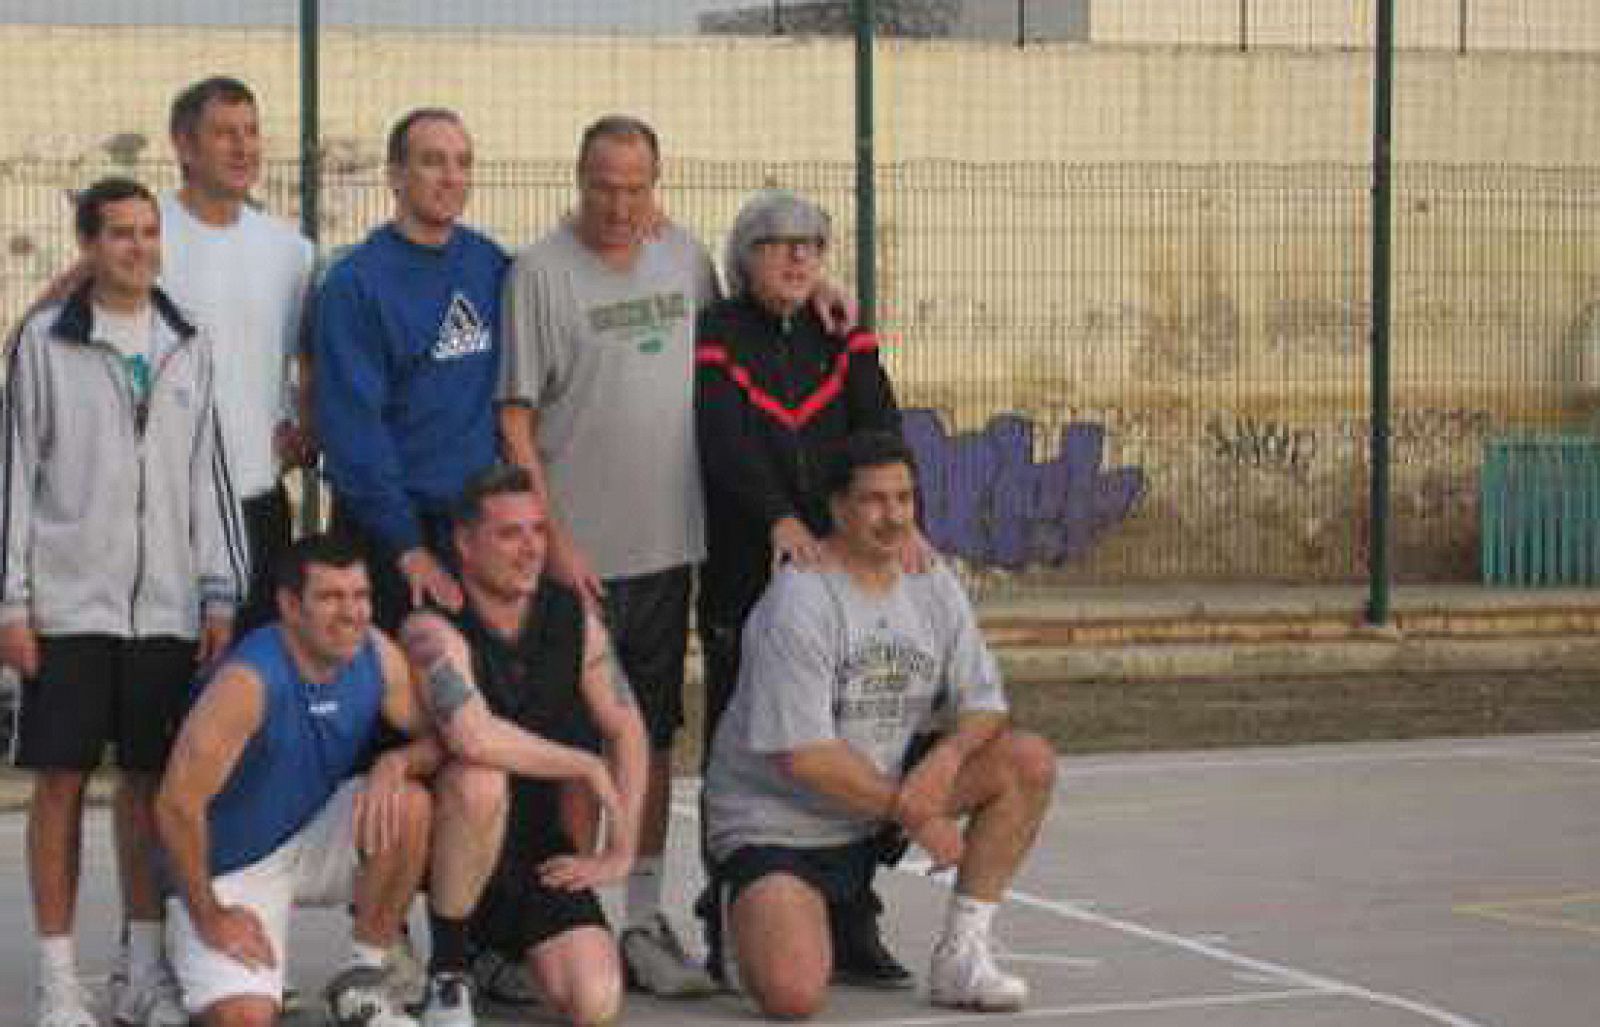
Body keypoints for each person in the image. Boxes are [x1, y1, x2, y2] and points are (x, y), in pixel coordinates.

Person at [0, 177, 248, 1027]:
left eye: (148, 233)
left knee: (149, 787)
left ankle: (141, 968)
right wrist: (12, 602)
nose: (138, 248)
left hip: (168, 612)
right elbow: (15, 479)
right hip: (68, 610)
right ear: (88, 245)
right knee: (62, 784)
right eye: (119, 234)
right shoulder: (43, 341)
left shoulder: (189, 342)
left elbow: (205, 480)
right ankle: (58, 979)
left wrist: (219, 591)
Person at [702, 431, 1058, 1019]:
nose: (893, 517)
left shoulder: (931, 582)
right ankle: (740, 906)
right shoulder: (801, 601)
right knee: (793, 996)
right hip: (779, 823)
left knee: (1026, 760)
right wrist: (918, 812)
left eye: (904, 499)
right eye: (874, 500)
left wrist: (943, 763)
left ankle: (962, 955)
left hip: (876, 799)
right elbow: (806, 757)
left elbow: (986, 704)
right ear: (837, 507)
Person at [496, 114, 721, 997]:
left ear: (655, 184)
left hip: (669, 548)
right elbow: (515, 419)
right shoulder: (539, 272)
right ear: (578, 179)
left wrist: (831, 299)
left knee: (653, 740)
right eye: (604, 187)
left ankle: (641, 918)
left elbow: (745, 330)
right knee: (573, 742)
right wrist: (553, 541)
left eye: (637, 187)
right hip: (574, 564)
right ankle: (563, 914)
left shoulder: (687, 260)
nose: (621, 205)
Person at [694, 190, 913, 986]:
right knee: (738, 744)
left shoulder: (840, 332)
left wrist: (900, 516)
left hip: (840, 576)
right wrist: (780, 519)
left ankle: (852, 912)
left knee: (858, 739)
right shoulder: (719, 331)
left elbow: (878, 423)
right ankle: (727, 910)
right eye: (777, 244)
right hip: (741, 571)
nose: (796, 258)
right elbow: (722, 440)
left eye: (811, 246)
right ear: (743, 255)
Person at [398, 465, 649, 1026]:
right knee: (477, 776)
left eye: (538, 531)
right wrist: (584, 764)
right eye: (510, 534)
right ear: (464, 543)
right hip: (438, 843)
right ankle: (447, 971)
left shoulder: (570, 616)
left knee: (596, 1001)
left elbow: (628, 728)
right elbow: (472, 735)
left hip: (533, 847)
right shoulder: (431, 627)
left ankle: (496, 954)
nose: (531, 549)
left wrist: (623, 848)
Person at [154, 535, 434, 1027]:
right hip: (228, 867)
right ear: (289, 606)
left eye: (360, 596)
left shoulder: (374, 652)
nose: (350, 614)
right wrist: (210, 915)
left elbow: (439, 738)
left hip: (310, 837)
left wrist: (400, 762)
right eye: (329, 598)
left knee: (409, 804)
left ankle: (362, 982)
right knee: (245, 1018)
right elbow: (175, 805)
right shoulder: (249, 680)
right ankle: (180, 964)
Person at [314, 107, 506, 632]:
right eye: (432, 162)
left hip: (474, 524)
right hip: (392, 533)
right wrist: (406, 547)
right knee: (397, 695)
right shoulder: (356, 285)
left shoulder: (490, 264)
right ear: (395, 176)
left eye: (463, 162)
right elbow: (354, 432)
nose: (451, 177)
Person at [161, 76, 317, 632]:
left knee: (245, 675)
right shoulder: (147, 236)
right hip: (165, 502)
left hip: (257, 496)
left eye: (251, 132)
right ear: (183, 144)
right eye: (225, 133)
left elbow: (307, 354)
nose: (243, 147)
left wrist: (307, 422)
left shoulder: (291, 251)